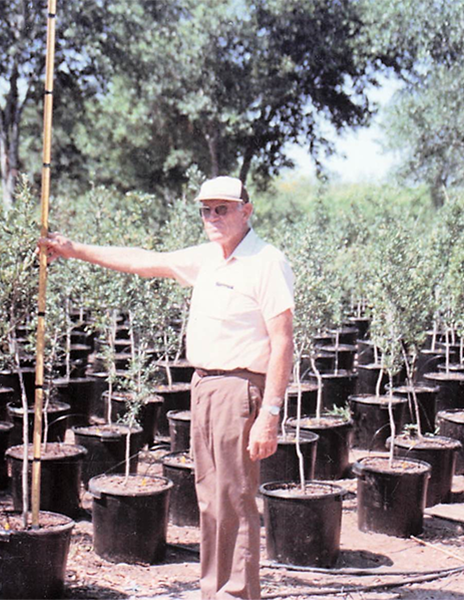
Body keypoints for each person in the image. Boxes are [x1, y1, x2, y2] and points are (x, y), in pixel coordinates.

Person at [38, 176, 294, 600]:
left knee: (235, 498)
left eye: (223, 209)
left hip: (240, 388)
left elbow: (283, 341)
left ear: (246, 211)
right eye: (206, 210)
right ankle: (214, 590)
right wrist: (74, 250)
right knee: (210, 499)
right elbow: (143, 260)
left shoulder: (266, 261)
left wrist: (270, 413)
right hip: (204, 386)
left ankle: (237, 594)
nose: (213, 217)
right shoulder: (207, 258)